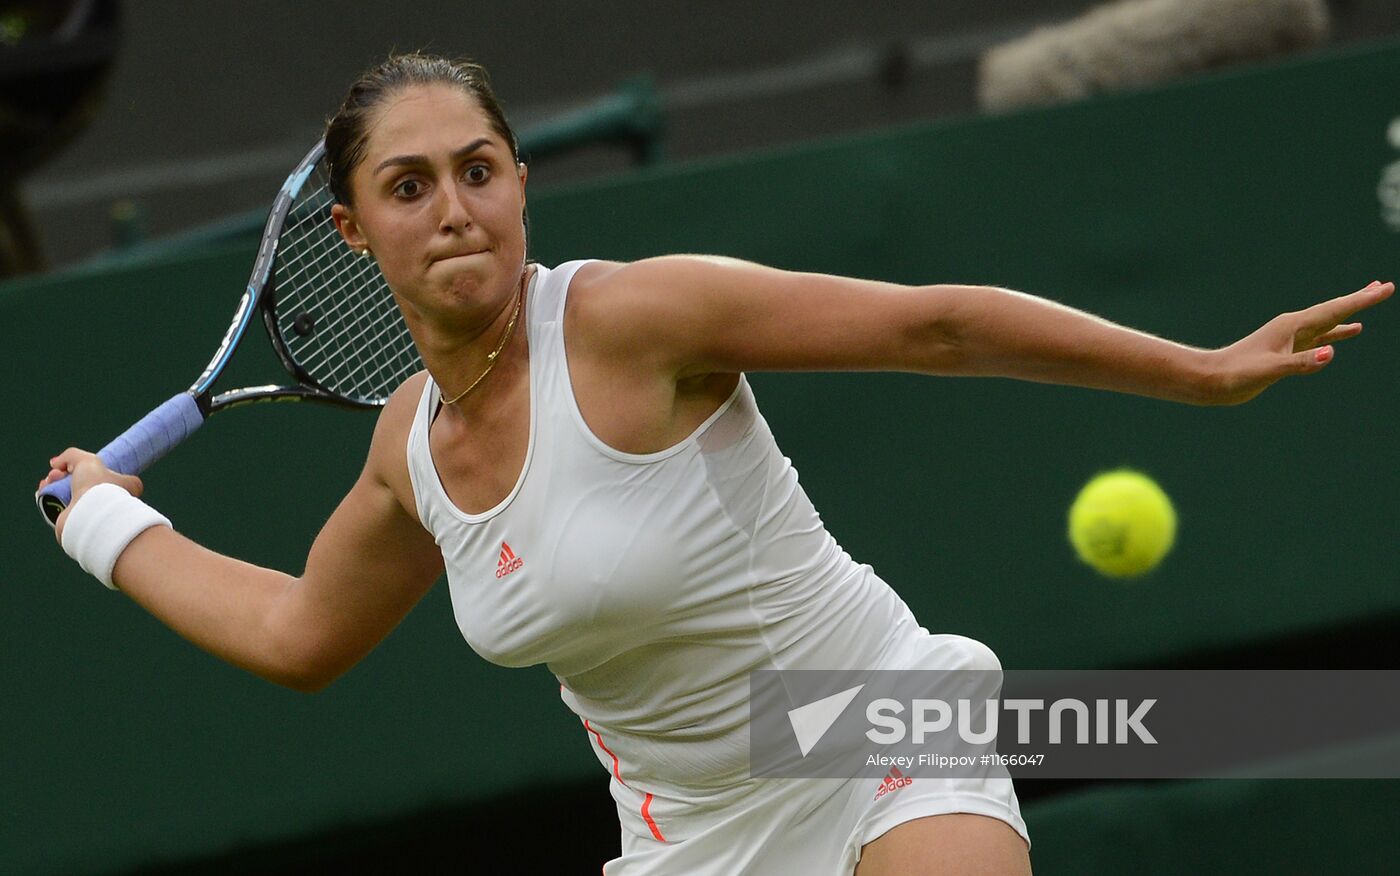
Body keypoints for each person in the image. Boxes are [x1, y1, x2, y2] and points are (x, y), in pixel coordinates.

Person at [39, 53, 1391, 875]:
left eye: (480, 169)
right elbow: (297, 635)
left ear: (520, 182)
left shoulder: (632, 319)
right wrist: (104, 525)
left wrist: (1197, 369)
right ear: (350, 230)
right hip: (687, 834)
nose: (455, 209)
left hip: (875, 726)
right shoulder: (410, 456)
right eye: (409, 187)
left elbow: (935, 323)